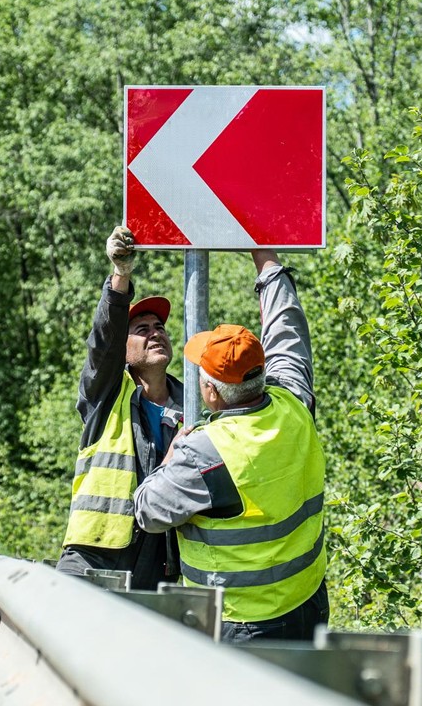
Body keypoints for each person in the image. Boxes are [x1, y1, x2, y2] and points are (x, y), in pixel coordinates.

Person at [134, 249, 329, 641]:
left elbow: (148, 511)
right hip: (308, 603)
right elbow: (286, 328)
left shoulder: (204, 453)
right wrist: (266, 258)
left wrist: (171, 456)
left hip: (241, 623)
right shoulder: (293, 401)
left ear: (211, 393)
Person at [56, 225, 183, 590]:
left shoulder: (192, 404)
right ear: (124, 351)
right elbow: (104, 341)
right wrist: (120, 277)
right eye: (141, 329)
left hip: (159, 562)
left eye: (159, 326)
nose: (155, 332)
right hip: (94, 557)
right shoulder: (107, 393)